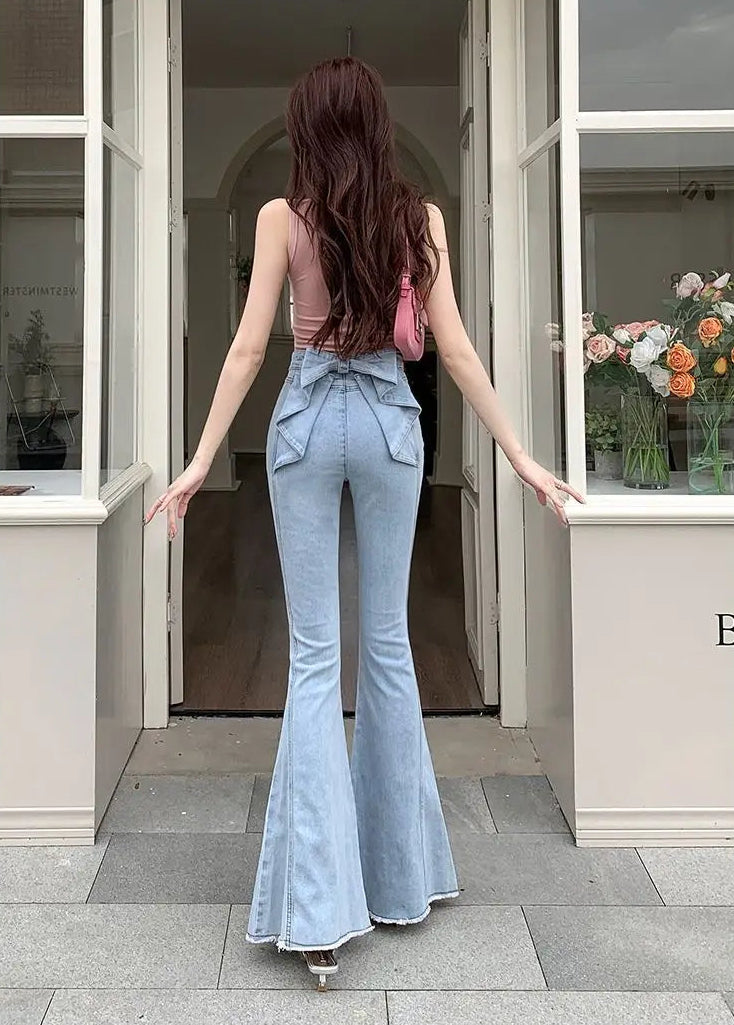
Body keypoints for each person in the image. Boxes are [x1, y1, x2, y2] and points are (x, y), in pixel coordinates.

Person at [144, 55, 583, 990]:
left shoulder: (278, 218)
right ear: (378, 126)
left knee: (313, 655)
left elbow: (248, 348)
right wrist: (520, 455)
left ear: (306, 129)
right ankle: (399, 877)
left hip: (306, 421)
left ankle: (317, 915)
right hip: (388, 422)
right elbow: (454, 347)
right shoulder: (418, 219)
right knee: (385, 645)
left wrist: (196, 462)